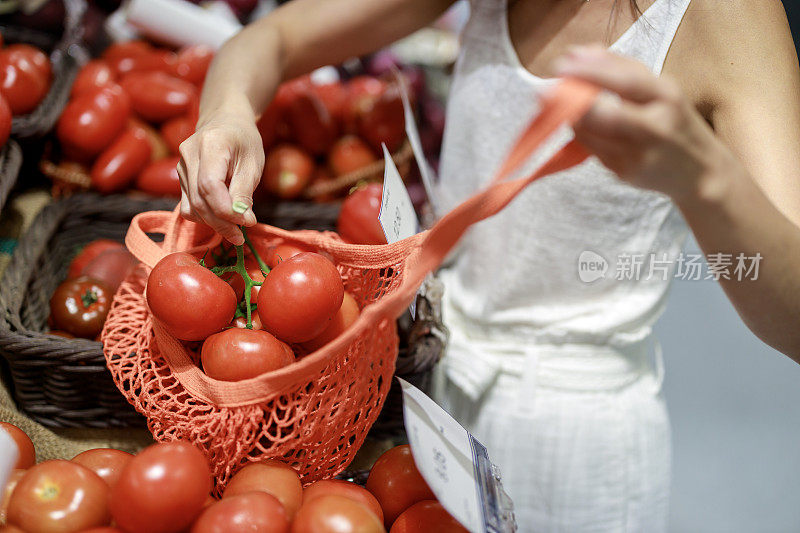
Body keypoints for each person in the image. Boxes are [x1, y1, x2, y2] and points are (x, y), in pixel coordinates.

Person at [177, 0, 800, 531]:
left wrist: (707, 181)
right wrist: (227, 114)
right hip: (441, 391)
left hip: (577, 442)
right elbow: (273, 36)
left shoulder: (724, 17)